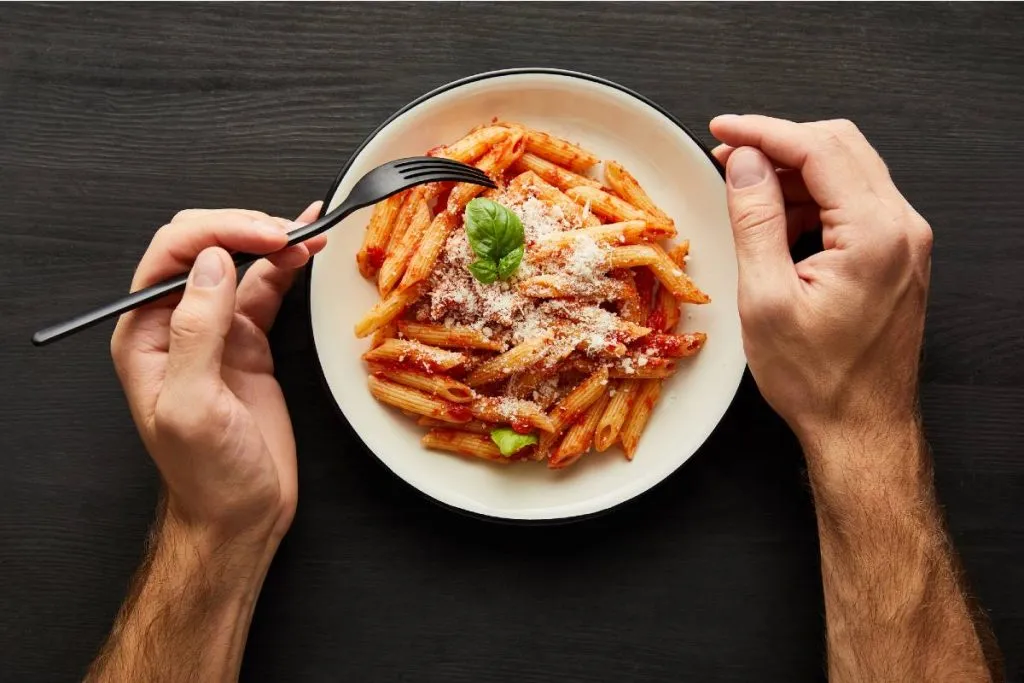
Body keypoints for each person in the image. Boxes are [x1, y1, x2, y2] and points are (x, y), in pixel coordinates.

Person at [85, 116, 997, 683]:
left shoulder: (620, 278)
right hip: (503, 376)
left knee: (624, 267)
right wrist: (863, 423)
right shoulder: (425, 291)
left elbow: (640, 261)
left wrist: (217, 531)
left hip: (574, 354)